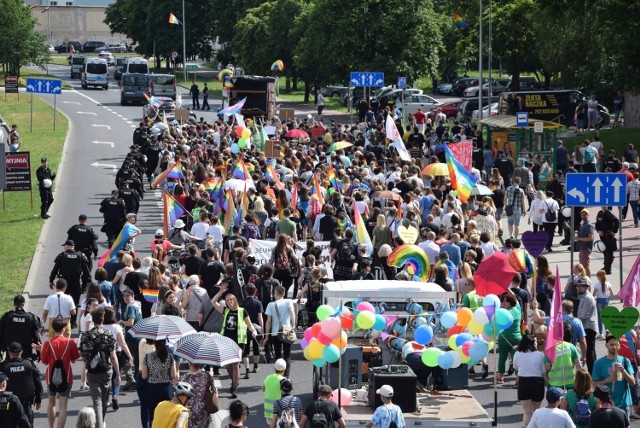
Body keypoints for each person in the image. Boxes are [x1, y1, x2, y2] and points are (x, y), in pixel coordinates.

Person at [210, 284, 258, 398]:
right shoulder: (225, 310)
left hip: (239, 341)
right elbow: (213, 302)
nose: (229, 302)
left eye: (231, 300)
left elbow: (249, 325)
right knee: (227, 364)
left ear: (235, 300)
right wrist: (220, 293)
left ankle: (234, 388)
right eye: (227, 300)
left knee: (235, 363)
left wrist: (254, 331)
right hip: (226, 340)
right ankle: (234, 380)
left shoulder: (242, 311)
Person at [78, 307, 120, 428]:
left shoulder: (86, 336)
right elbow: (113, 356)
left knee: (96, 400)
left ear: (93, 320)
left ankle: (99, 424)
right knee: (104, 399)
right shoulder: (109, 334)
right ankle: (101, 422)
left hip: (92, 372)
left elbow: (84, 357)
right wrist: (117, 374)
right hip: (106, 370)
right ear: (102, 320)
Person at [41, 318, 80, 428]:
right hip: (66, 377)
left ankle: (51, 426)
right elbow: (74, 359)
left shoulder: (48, 343)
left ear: (53, 329)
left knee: (51, 403)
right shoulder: (70, 342)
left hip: (50, 377)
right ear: (64, 328)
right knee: (63, 408)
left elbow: (44, 362)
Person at [0, 342, 43, 426]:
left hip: (8, 404)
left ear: (9, 352)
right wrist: (38, 398)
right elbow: (37, 381)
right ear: (21, 352)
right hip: (26, 404)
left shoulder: (3, 366)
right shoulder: (29, 364)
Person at [592, 335, 635, 418]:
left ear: (619, 346)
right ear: (606, 345)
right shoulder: (598, 363)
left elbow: (633, 383)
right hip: (606, 405)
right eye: (611, 344)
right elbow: (594, 385)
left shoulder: (625, 361)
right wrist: (607, 380)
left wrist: (624, 371)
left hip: (624, 404)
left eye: (616, 344)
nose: (614, 347)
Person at [513, 334, 547, 427]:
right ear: (531, 343)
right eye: (535, 341)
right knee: (536, 411)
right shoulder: (540, 355)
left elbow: (515, 367)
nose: (537, 343)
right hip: (537, 383)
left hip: (523, 383)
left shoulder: (517, 353)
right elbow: (544, 372)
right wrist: (548, 384)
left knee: (527, 412)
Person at [142, 338, 177, 426]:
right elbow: (173, 375)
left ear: (154, 343)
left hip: (152, 389)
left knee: (153, 416)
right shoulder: (170, 356)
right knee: (167, 415)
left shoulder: (148, 357)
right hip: (166, 389)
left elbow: (144, 376)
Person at [264, 286, 296, 377]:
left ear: (276, 294)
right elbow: (292, 312)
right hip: (287, 331)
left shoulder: (271, 304)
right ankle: (286, 377)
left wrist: (266, 336)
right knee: (287, 355)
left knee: (278, 355)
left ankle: (279, 376)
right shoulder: (288, 301)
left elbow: (268, 321)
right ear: (284, 294)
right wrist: (293, 325)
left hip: (275, 333)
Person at [0, 295, 40, 360]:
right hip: (26, 352)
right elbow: (36, 336)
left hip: (10, 352)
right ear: (23, 304)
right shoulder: (30, 317)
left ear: (13, 304)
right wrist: (39, 353)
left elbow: (1, 332)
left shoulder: (7, 316)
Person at [180, 362, 217, 428]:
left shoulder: (183, 378)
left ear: (189, 364)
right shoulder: (206, 376)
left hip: (188, 411)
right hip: (203, 411)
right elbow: (215, 392)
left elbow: (179, 396)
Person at [496, 291, 522, 384]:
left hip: (504, 337)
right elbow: (515, 297)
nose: (503, 303)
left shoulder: (504, 312)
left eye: (505, 301)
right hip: (517, 337)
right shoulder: (518, 309)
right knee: (516, 358)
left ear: (509, 303)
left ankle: (500, 377)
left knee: (502, 358)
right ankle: (518, 378)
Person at [240, 284, 264, 378]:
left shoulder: (241, 303)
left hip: (244, 328)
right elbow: (260, 318)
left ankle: (247, 369)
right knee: (256, 348)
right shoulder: (258, 303)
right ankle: (255, 366)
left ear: (245, 291)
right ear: (255, 291)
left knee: (245, 350)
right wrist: (262, 330)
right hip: (256, 328)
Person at [576, 279, 598, 373]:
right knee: (591, 351)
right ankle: (595, 371)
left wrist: (575, 323)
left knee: (589, 352)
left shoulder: (588, 298)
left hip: (588, 327)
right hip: (586, 327)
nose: (579, 288)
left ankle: (592, 372)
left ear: (586, 287)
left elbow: (584, 315)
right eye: (578, 286)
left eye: (581, 286)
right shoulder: (583, 297)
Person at [263, 359, 287, 424]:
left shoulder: (267, 378)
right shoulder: (283, 380)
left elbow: (263, 389)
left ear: (274, 368)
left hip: (268, 409)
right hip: (279, 409)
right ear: (285, 369)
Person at [593, 270, 614, 339]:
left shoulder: (597, 284)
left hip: (599, 300)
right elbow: (612, 293)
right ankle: (607, 330)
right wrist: (607, 295)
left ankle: (601, 333)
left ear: (599, 277)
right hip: (606, 300)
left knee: (600, 317)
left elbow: (594, 293)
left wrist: (593, 297)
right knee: (606, 316)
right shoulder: (608, 283)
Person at [574, 210, 594, 277]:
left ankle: (588, 280)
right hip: (582, 247)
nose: (583, 216)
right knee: (583, 265)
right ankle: (585, 279)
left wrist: (578, 238)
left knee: (585, 266)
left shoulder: (588, 225)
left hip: (585, 248)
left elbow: (590, 238)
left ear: (588, 215)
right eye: (582, 214)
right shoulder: (583, 224)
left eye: (585, 214)